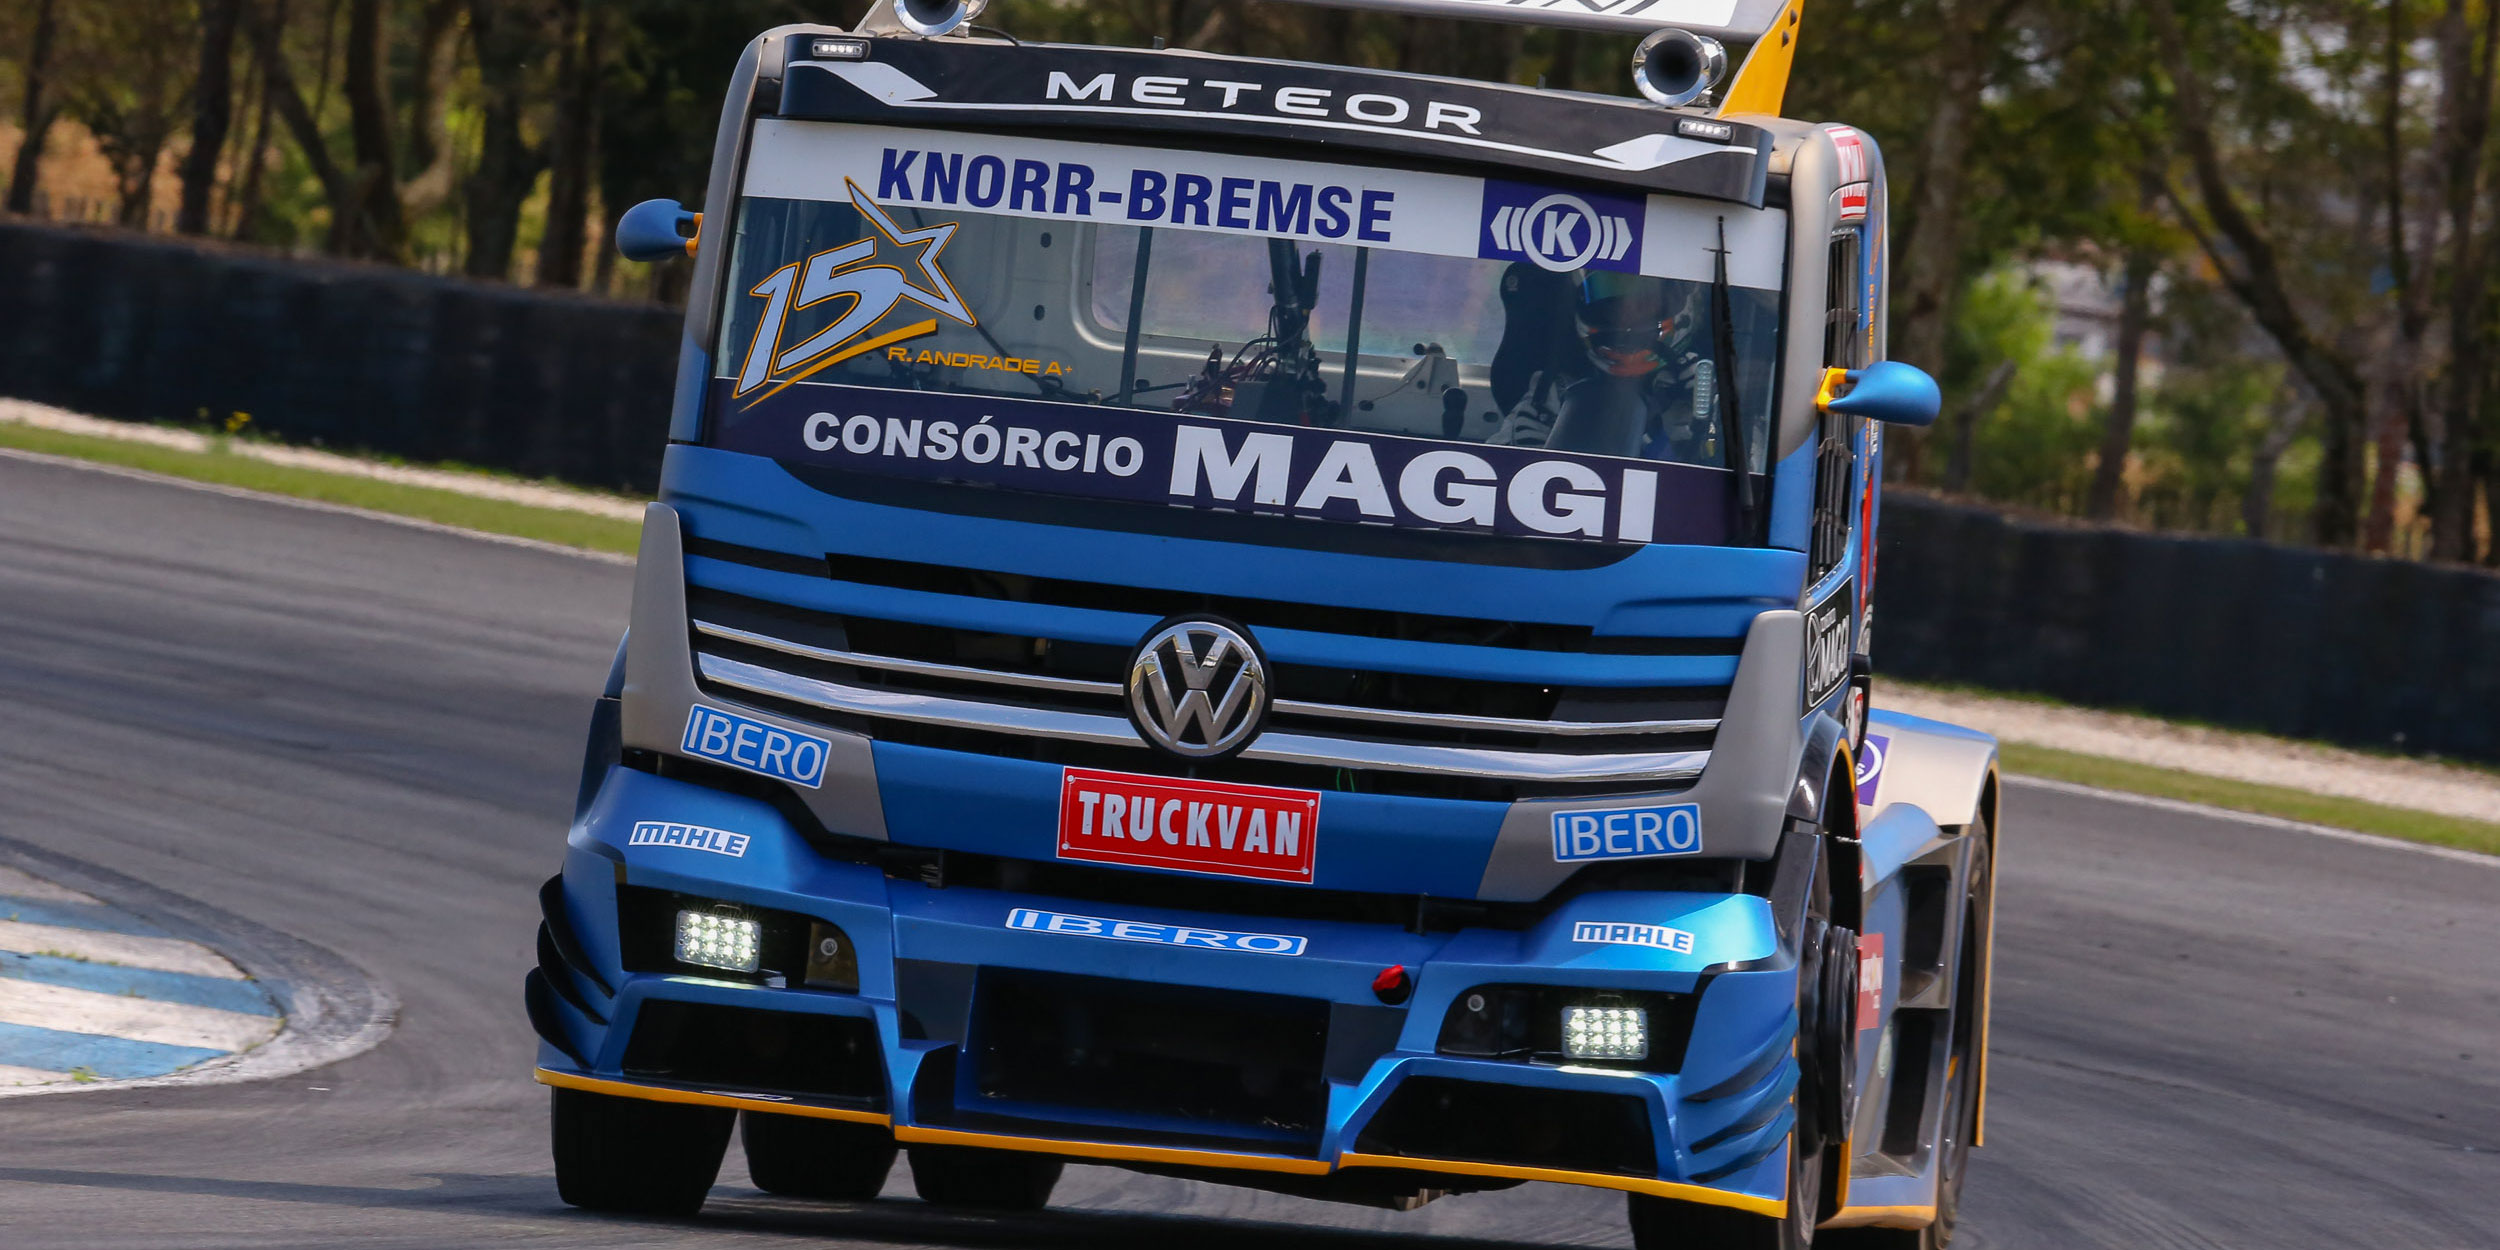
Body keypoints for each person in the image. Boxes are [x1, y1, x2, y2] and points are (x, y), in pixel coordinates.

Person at [1489, 270, 1722, 465]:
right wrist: (1526, 450)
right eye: (1611, 299)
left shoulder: (1702, 387)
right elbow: (1498, 471)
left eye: (1643, 300)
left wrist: (1687, 432)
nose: (1626, 313)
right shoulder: (1553, 390)